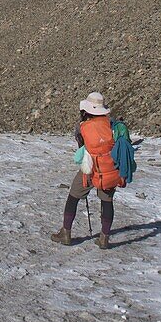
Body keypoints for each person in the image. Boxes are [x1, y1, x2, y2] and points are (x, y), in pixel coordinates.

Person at [51, 91, 123, 249]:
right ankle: (104, 238)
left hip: (89, 166)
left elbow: (82, 147)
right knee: (107, 201)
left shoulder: (82, 126)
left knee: (73, 197)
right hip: (110, 167)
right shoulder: (112, 124)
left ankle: (66, 233)